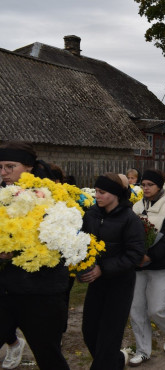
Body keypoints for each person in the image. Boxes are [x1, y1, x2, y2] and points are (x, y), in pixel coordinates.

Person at [0, 141, 69, 370]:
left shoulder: (51, 198)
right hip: (6, 290)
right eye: (0, 167)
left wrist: (16, 250)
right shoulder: (3, 196)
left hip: (41, 292)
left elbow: (60, 243)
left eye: (10, 166)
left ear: (29, 167)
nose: (4, 173)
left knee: (48, 356)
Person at [80, 173, 145, 369]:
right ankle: (116, 361)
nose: (96, 196)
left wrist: (104, 268)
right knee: (89, 331)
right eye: (96, 191)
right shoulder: (91, 215)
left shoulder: (130, 219)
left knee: (110, 334)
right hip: (96, 283)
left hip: (120, 283)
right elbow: (82, 242)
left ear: (116, 194)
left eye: (102, 192)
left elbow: (135, 254)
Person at [129, 169, 165, 366]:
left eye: (150, 185)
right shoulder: (136, 207)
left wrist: (150, 255)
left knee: (157, 309)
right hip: (138, 266)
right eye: (143, 185)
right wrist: (135, 255)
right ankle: (143, 350)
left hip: (159, 264)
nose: (146, 188)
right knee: (136, 309)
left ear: (159, 186)